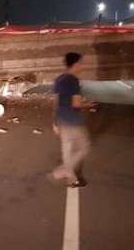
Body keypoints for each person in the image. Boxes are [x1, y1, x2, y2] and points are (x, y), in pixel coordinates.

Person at [51, 52, 95, 187]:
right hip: (73, 121)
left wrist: (54, 122)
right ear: (75, 64)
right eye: (81, 63)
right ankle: (62, 170)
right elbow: (76, 104)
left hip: (62, 120)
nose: (83, 66)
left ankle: (72, 179)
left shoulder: (59, 79)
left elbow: (56, 101)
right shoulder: (73, 80)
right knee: (84, 148)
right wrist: (88, 105)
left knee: (67, 151)